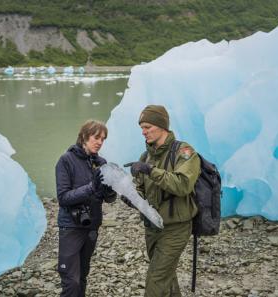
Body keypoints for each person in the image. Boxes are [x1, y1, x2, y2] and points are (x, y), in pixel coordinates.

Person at [123, 105, 200, 297]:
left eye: (147, 127)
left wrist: (150, 170)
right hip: (152, 226)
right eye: (141, 127)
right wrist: (132, 197)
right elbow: (141, 189)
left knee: (156, 282)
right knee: (167, 276)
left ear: (162, 126)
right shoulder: (146, 155)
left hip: (175, 228)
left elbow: (183, 184)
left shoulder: (184, 152)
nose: (143, 132)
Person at [55, 119, 116, 297]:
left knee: (82, 276)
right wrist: (92, 187)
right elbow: (63, 198)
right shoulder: (66, 160)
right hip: (71, 227)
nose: (99, 142)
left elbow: (110, 199)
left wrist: (110, 190)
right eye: (96, 137)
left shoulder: (102, 162)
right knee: (70, 280)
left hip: (92, 226)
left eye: (103, 139)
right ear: (83, 136)